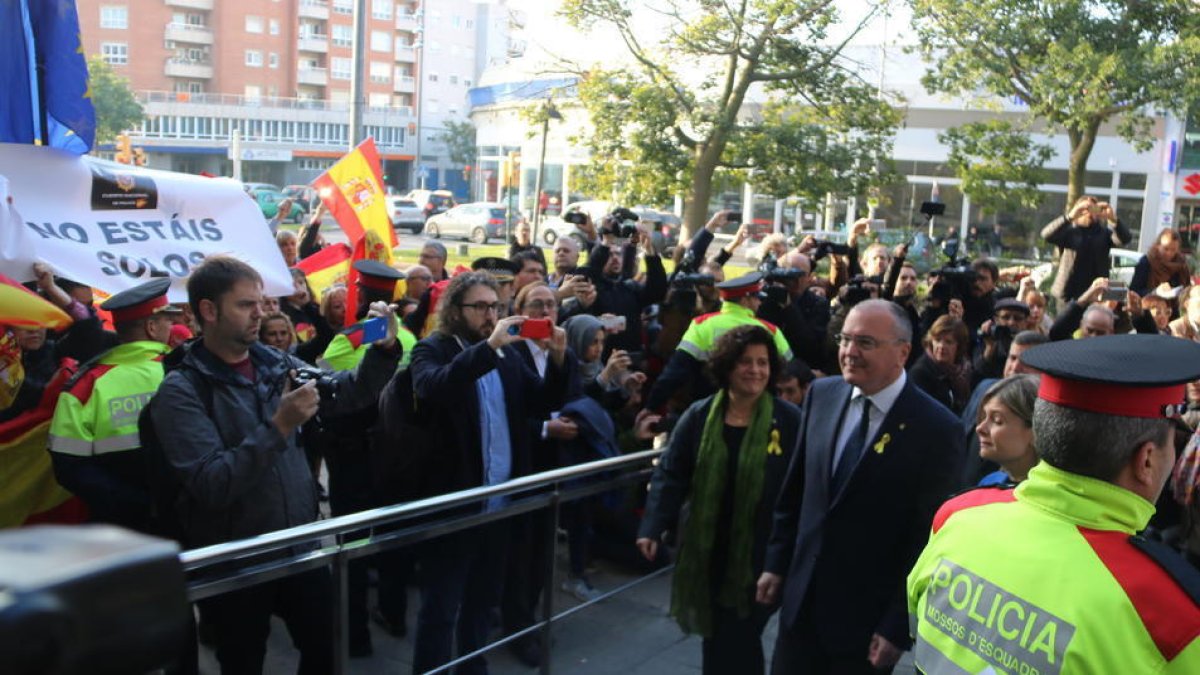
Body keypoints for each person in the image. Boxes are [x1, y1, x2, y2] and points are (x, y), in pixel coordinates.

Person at [151, 255, 402, 674]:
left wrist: (384, 349)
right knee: (244, 660)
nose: (262, 313)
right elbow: (213, 482)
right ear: (208, 312)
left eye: (262, 302)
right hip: (237, 561)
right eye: (246, 305)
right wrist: (280, 424)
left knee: (327, 647)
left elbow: (345, 393)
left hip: (299, 546)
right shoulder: (182, 391)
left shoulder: (274, 361)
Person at [907, 334, 1200, 674]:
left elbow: (918, 625)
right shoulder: (1171, 614)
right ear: (1147, 460)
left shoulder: (958, 517)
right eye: (1172, 443)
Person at [757, 299, 963, 674]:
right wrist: (776, 563)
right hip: (799, 610)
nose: (849, 352)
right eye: (845, 339)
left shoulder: (937, 429)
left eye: (865, 343)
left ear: (903, 352)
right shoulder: (822, 395)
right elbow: (796, 492)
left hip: (865, 629)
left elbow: (926, 540)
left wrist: (896, 626)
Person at [408, 271, 570, 675]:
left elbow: (542, 400)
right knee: (441, 608)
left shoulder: (510, 354)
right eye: (480, 307)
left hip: (499, 503)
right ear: (456, 311)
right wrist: (488, 348)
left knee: (483, 601)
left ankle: (472, 668)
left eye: (495, 307)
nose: (490, 315)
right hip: (455, 504)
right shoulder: (435, 349)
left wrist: (559, 358)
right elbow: (434, 388)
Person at [636, 326, 802, 675]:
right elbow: (672, 473)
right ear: (727, 366)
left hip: (761, 555)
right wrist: (653, 526)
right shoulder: (700, 416)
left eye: (762, 362)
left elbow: (802, 487)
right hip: (707, 551)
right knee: (716, 635)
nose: (755, 370)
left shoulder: (789, 422)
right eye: (745, 362)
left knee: (739, 634)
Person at [47, 278, 178, 532]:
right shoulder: (182, 371)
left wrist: (129, 504)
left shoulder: (84, 385)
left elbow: (68, 466)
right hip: (189, 518)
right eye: (168, 321)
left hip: (117, 526)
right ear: (151, 327)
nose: (171, 327)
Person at [644, 272, 794, 413]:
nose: (760, 303)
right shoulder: (771, 330)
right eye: (757, 298)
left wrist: (651, 407)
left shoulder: (702, 324)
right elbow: (791, 371)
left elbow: (675, 372)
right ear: (745, 299)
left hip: (707, 411)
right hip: (756, 412)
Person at [1042, 195, 1132, 305]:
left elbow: (1125, 239)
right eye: (1084, 209)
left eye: (1092, 208)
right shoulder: (1069, 231)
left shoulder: (1104, 234)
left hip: (1096, 294)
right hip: (1068, 292)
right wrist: (1069, 216)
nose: (1089, 212)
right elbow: (1046, 234)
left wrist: (1113, 219)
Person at [974, 374, 1039, 486]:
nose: (980, 428)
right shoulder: (989, 483)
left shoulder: (1053, 498)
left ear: (1035, 432)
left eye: (997, 420)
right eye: (984, 416)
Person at [909, 314, 972, 414]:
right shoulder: (921, 373)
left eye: (948, 342)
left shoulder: (963, 369)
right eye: (937, 340)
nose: (941, 346)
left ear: (959, 346)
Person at [1131, 228, 1191, 296]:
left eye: (1173, 250)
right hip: (1150, 305)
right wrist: (1155, 292)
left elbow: (1187, 289)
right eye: (1166, 249)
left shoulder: (1182, 265)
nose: (1169, 253)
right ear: (1157, 246)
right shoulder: (1147, 262)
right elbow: (1134, 292)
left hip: (1174, 305)